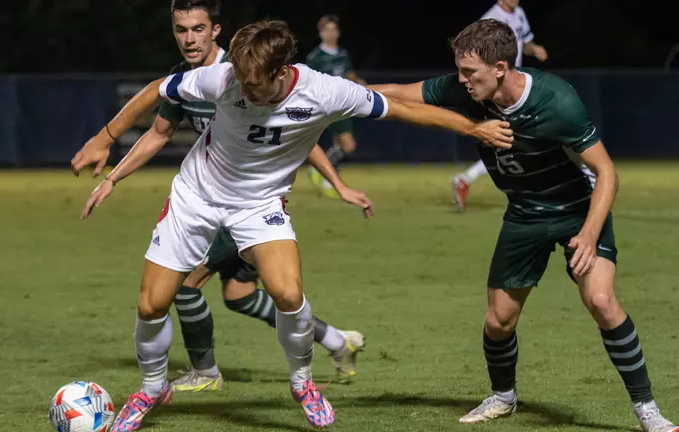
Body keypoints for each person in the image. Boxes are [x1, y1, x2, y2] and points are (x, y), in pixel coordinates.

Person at [75, 19, 511, 430]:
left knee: (288, 293)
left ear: (282, 70)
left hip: (260, 204)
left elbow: (401, 110)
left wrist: (476, 130)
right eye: (240, 81)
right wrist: (105, 138)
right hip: (196, 197)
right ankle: (153, 389)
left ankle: (302, 382)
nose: (245, 90)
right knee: (152, 304)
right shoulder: (223, 77)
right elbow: (157, 90)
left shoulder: (325, 92)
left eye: (256, 84)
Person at [371, 19, 678, 431]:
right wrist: (336, 92)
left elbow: (607, 172)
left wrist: (588, 234)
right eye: (459, 71)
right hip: (524, 213)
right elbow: (396, 95)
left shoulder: (557, 101)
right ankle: (503, 396)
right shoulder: (465, 88)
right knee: (498, 321)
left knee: (602, 302)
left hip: (576, 211)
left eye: (469, 73)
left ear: (500, 68)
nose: (460, 81)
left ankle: (648, 411)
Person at [72, 0, 366, 394]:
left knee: (186, 284)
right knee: (239, 295)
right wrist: (113, 178)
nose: (189, 39)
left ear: (215, 31)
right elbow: (158, 134)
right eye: (181, 30)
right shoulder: (183, 78)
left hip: (250, 204)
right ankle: (336, 340)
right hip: (213, 196)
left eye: (197, 29)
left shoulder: (244, 71)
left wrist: (338, 182)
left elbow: (298, 132)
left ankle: (206, 372)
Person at [451, 0, 549, 211]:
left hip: (515, 86)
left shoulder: (520, 14)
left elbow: (524, 44)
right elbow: (473, 53)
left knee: (511, 140)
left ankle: (466, 179)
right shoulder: (490, 19)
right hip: (496, 88)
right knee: (516, 138)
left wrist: (535, 49)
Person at [305, 14, 368, 197]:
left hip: (345, 104)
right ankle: (320, 170)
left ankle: (327, 175)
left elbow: (349, 74)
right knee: (348, 145)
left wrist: (360, 83)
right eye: (327, 30)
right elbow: (309, 82)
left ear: (338, 32)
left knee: (340, 145)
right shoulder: (315, 57)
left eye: (334, 30)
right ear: (320, 33)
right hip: (328, 106)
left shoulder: (342, 53)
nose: (331, 34)